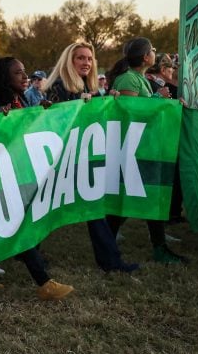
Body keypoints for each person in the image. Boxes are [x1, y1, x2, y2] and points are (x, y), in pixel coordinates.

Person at [0, 57, 76, 299]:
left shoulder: (20, 98)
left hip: (18, 171)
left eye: (25, 72)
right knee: (16, 222)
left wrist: (39, 112)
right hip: (0, 175)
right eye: (18, 73)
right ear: (4, 77)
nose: (25, 77)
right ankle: (43, 282)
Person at [42, 42, 139, 273]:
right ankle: (26, 251)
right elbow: (51, 120)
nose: (86, 62)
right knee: (44, 206)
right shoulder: (58, 86)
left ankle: (110, 261)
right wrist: (77, 106)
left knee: (94, 208)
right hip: (59, 160)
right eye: (80, 58)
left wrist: (109, 102)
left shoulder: (91, 86)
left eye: (89, 58)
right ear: (69, 61)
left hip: (83, 157)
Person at [107, 37, 187, 264]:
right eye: (152, 50)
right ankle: (111, 246)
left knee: (146, 195)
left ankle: (155, 247)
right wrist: (158, 100)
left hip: (146, 147)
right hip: (132, 149)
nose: (155, 52)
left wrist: (171, 104)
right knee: (131, 196)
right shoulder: (127, 80)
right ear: (145, 57)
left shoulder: (139, 78)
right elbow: (129, 114)